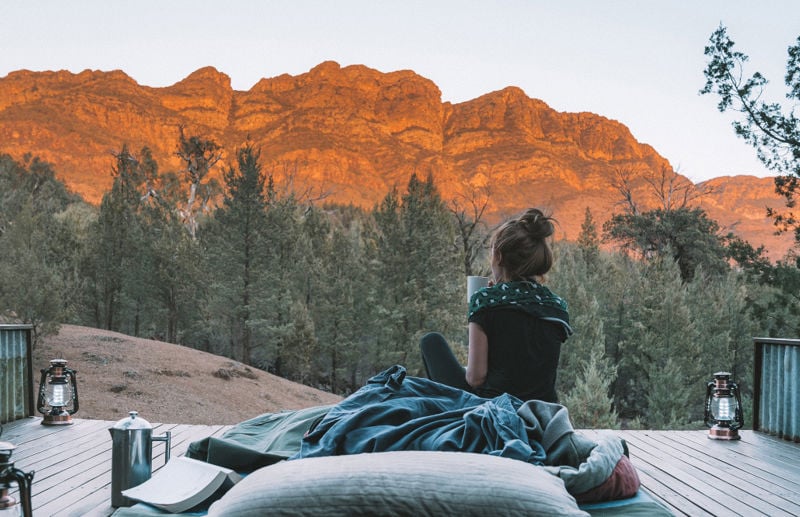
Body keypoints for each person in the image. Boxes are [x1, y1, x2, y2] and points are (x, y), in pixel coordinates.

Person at [419, 208, 572, 403]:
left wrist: (483, 302)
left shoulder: (485, 301)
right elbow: (525, 356)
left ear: (498, 256)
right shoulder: (556, 306)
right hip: (542, 408)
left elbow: (475, 378)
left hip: (492, 406)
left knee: (430, 342)